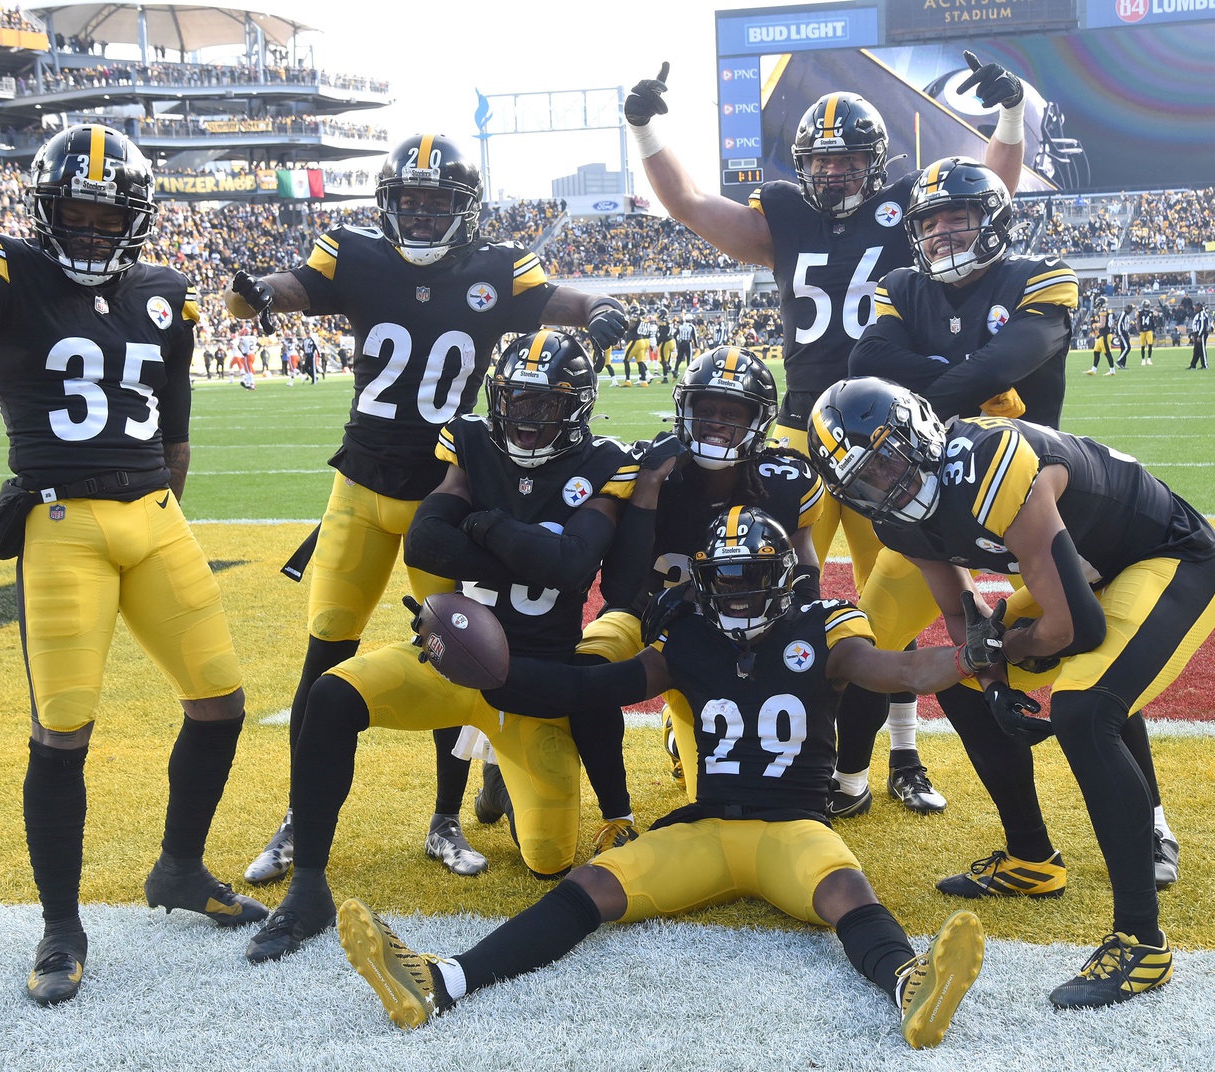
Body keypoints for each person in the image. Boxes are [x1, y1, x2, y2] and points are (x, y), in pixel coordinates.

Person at [339, 506, 1007, 1049]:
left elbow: (906, 673)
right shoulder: (689, 637)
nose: (738, 591)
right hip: (708, 828)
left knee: (845, 889)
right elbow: (592, 686)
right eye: (726, 578)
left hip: (795, 827)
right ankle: (442, 979)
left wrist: (970, 656)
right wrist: (496, 674)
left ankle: (910, 983)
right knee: (592, 883)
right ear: (705, 580)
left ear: (781, 576)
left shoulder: (825, 630)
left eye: (751, 577)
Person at [0, 123, 266, 1007]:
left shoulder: (165, 292)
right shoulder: (7, 261)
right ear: (44, 209)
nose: (88, 230)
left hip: (153, 513)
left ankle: (179, 867)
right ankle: (61, 926)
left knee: (220, 701)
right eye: (73, 211)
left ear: (136, 221)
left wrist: (169, 503)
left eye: (107, 216)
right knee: (63, 730)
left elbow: (175, 421)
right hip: (62, 522)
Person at [623, 54, 1029, 813]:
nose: (835, 172)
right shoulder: (783, 217)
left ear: (876, 163)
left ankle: (903, 755)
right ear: (802, 165)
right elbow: (686, 202)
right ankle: (735, 728)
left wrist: (1007, 119)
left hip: (888, 440)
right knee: (763, 581)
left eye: (847, 159)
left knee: (896, 603)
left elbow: (989, 185)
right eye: (821, 159)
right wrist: (644, 126)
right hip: (800, 432)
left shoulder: (910, 214)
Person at [223, 134, 629, 885]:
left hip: (447, 490)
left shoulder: (495, 268)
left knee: (459, 649)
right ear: (387, 205)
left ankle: (443, 818)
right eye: (408, 201)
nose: (419, 214)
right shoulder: (354, 254)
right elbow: (292, 285)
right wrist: (261, 293)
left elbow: (566, 300)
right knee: (327, 651)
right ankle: (297, 817)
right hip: (360, 488)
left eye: (435, 201)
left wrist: (602, 305)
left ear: (462, 210)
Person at [808, 377, 1215, 1009]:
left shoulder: (990, 464)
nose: (887, 485)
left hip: (1166, 556)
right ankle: (1032, 857)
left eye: (890, 460)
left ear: (919, 431)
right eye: (867, 480)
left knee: (1088, 712)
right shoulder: (899, 523)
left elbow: (1074, 628)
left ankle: (1142, 941)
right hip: (1084, 571)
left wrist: (997, 655)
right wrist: (989, 677)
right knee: (964, 684)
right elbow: (959, 614)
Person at [242, 330, 647, 963]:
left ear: (576, 404)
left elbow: (570, 569)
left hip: (535, 679)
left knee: (549, 861)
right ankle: (309, 886)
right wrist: (527, 548)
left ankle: (502, 779)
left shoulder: (606, 462)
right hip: (449, 659)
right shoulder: (473, 442)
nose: (524, 417)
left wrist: (484, 525)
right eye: (514, 400)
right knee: (331, 695)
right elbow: (426, 543)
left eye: (542, 403)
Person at [843, 155, 1076, 816]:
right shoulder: (901, 285)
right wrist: (966, 376)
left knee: (1095, 652)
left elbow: (1010, 358)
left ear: (994, 220)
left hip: (1031, 497)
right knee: (872, 634)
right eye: (931, 220)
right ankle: (847, 777)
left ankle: (1148, 822)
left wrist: (936, 383)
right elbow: (868, 360)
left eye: (958, 216)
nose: (942, 231)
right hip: (933, 503)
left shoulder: (1040, 276)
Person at [577, 345, 825, 800]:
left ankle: (682, 726)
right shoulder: (647, 468)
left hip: (730, 632)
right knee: (587, 666)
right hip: (642, 615)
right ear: (684, 409)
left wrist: (805, 617)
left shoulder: (785, 479)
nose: (715, 422)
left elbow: (804, 560)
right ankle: (616, 812)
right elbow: (619, 580)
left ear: (759, 421)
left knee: (717, 794)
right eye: (706, 409)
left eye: (732, 413)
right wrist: (650, 487)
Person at [1084, 296, 1114, 376]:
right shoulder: (1108, 310)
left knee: (1107, 353)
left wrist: (1095, 325)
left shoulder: (1103, 310)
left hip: (1105, 334)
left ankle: (1112, 370)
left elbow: (1102, 325)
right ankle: (1094, 369)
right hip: (1104, 334)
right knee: (1096, 352)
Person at [1187, 303, 1212, 370]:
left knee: (1202, 349)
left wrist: (1199, 335)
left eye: (1195, 306)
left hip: (1201, 333)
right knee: (1197, 350)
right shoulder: (1199, 314)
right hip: (1197, 333)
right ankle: (1193, 365)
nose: (1194, 308)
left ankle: (1205, 365)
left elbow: (1202, 326)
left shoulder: (1201, 314)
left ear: (1199, 307)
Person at [1136, 299, 1159, 366]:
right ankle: (1144, 359)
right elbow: (1138, 322)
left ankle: (1147, 359)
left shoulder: (1141, 312)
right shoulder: (1148, 312)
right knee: (1144, 346)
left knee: (1149, 345)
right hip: (1143, 331)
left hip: (1147, 330)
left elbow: (1153, 321)